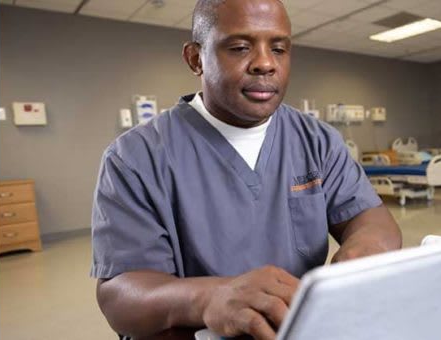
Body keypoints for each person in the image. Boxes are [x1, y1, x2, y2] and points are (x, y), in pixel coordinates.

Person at [91, 0, 402, 339]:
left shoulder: (317, 140)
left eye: (279, 49)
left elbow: (372, 219)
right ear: (196, 59)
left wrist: (364, 251)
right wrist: (209, 298)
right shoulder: (136, 157)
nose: (266, 64)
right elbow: (120, 294)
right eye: (240, 47)